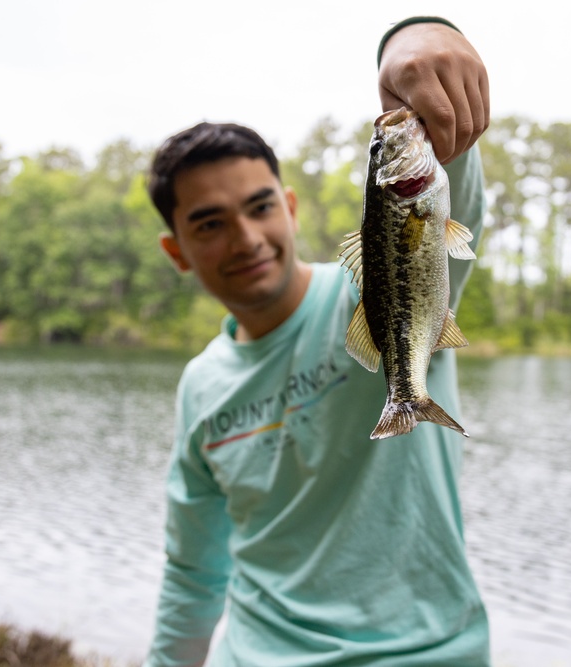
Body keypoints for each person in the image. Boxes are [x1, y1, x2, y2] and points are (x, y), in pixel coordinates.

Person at [144, 16, 491, 667]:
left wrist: (414, 38)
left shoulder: (371, 296)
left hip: (425, 654)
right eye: (210, 223)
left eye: (260, 206)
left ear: (290, 207)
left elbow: (454, 201)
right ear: (177, 249)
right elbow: (193, 572)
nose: (246, 238)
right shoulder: (201, 384)